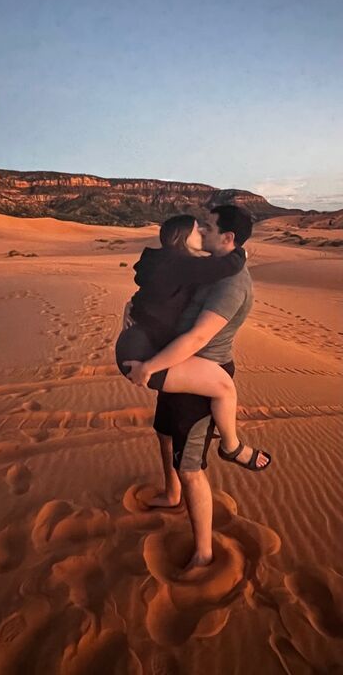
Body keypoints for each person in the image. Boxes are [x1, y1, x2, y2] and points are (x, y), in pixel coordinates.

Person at [116, 204, 270, 571]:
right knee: (165, 434)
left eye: (209, 227)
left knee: (191, 467)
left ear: (227, 238)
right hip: (174, 361)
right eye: (199, 227)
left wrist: (151, 365)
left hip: (199, 373)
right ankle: (172, 497)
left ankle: (204, 551)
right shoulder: (206, 267)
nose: (202, 230)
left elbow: (199, 335)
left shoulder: (230, 283)